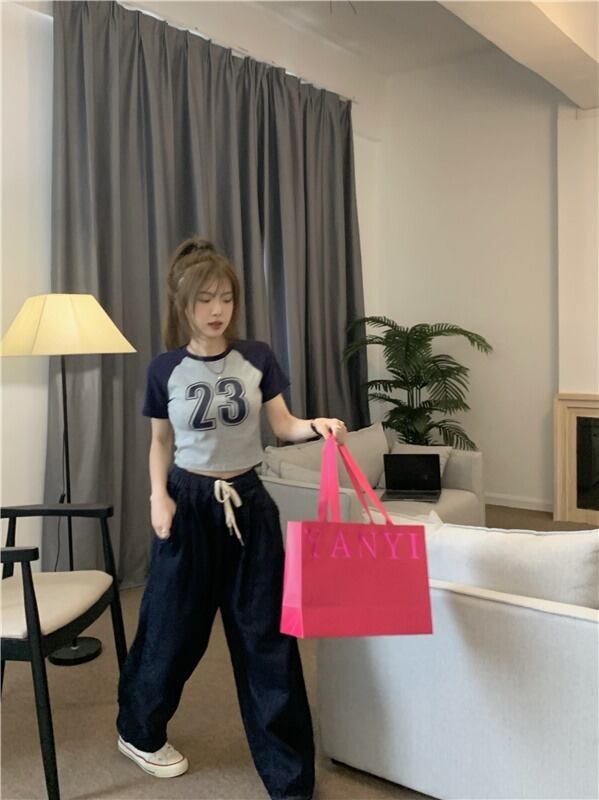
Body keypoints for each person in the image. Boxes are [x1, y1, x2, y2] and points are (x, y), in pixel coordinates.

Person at [116, 236, 347, 800]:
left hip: (249, 503)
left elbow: (283, 424)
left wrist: (316, 426)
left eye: (225, 298)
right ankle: (138, 731)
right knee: (171, 628)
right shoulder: (164, 369)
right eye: (204, 300)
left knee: (266, 637)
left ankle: (289, 779)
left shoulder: (257, 357)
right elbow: (160, 443)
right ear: (183, 303)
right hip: (188, 503)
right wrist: (157, 497)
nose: (216, 310)